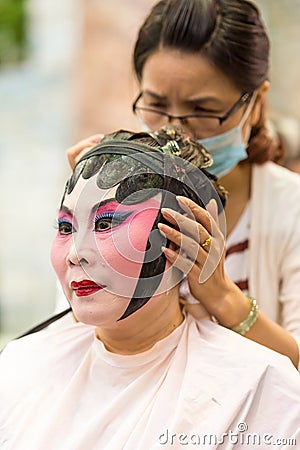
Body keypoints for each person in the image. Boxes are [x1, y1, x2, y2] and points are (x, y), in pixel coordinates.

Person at [1, 127, 300, 450]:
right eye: (65, 227)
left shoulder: (256, 387)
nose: (75, 254)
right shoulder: (18, 367)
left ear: (180, 237)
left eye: (105, 223)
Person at [65, 0, 300, 369]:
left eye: (203, 111)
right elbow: (75, 342)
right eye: (156, 106)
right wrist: (88, 212)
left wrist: (222, 296)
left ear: (255, 104)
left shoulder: (292, 210)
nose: (174, 130)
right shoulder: (117, 207)